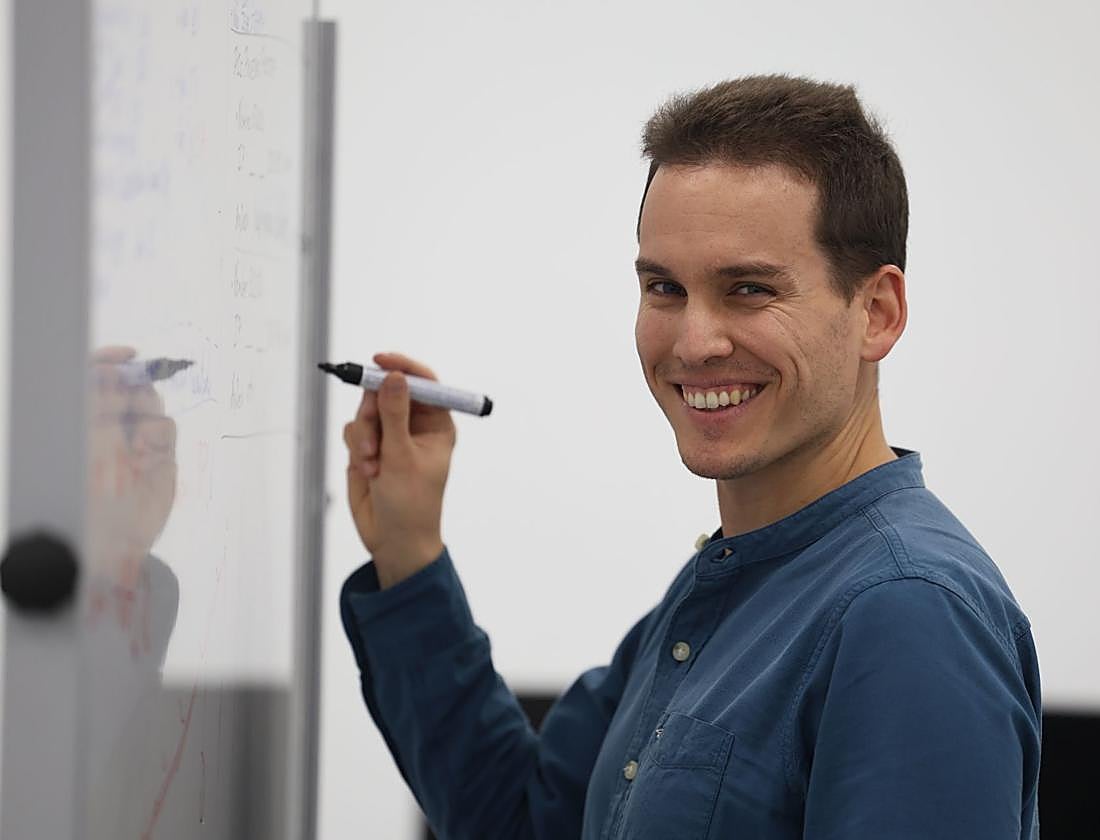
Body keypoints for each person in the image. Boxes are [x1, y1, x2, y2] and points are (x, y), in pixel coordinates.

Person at [339, 74, 1041, 838]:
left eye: (747, 289)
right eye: (665, 287)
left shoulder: (908, 612)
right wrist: (407, 551)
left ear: (877, 313)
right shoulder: (735, 581)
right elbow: (526, 822)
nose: (694, 342)